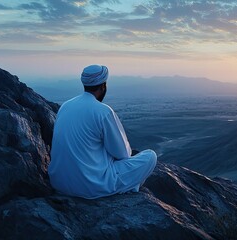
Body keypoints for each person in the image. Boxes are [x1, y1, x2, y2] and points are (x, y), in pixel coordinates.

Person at [48, 64, 157, 199]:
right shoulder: (103, 111)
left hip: (59, 183)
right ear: (103, 86)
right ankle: (128, 188)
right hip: (90, 187)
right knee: (150, 156)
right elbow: (123, 153)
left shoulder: (65, 106)